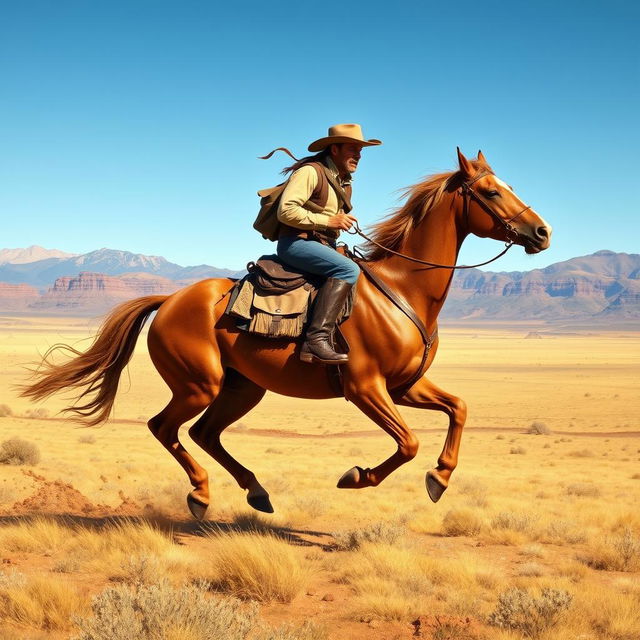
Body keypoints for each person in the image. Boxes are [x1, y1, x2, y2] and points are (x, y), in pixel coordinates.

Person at [276, 123, 382, 364]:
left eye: (361, 150)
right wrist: (329, 220)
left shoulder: (343, 181)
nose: (358, 155)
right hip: (296, 243)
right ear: (334, 149)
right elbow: (286, 211)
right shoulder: (311, 172)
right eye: (353, 148)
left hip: (322, 245)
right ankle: (315, 340)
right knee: (346, 269)